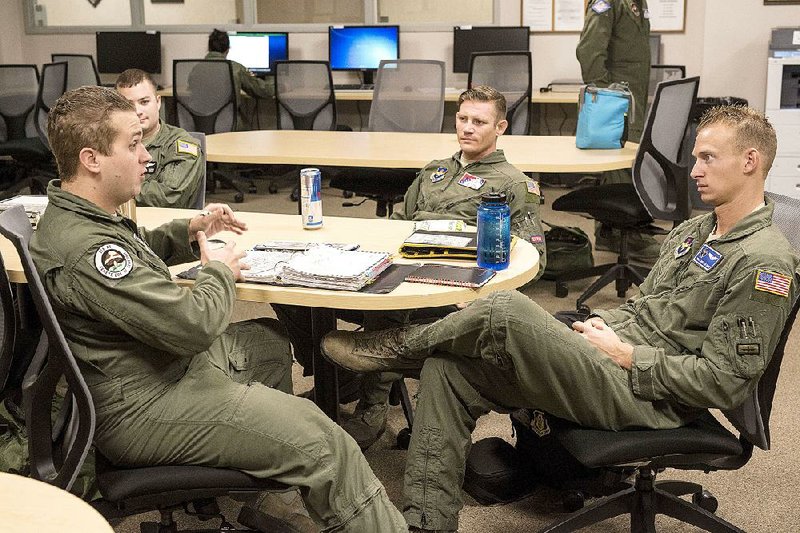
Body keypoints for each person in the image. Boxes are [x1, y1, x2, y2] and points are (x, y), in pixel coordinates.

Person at [320, 105, 800, 532]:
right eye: (695, 156)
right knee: (448, 372)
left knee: (505, 308)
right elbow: (646, 306)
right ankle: (427, 522)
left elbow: (724, 383)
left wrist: (628, 355)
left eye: (707, 158)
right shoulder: (698, 228)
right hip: (611, 359)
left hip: (651, 396)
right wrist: (602, 329)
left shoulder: (763, 265)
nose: (693, 170)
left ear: (749, 161)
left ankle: (396, 349)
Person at [31, 85, 407, 533]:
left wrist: (186, 229)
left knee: (268, 342)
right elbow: (193, 325)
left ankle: (273, 498)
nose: (147, 155)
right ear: (91, 159)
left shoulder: (78, 214)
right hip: (145, 403)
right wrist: (219, 272)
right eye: (132, 145)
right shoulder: (86, 249)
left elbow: (131, 252)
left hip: (156, 368)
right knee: (325, 441)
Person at [274, 86, 547, 450]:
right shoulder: (434, 170)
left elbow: (535, 259)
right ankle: (335, 376)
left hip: (452, 286)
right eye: (462, 119)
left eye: (478, 122)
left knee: (392, 308)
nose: (467, 128)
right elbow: (397, 225)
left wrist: (486, 293)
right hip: (400, 265)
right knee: (295, 289)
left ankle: (371, 408)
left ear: (500, 127)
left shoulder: (514, 183)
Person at [576, 0, 660, 261]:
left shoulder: (637, 1)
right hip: (617, 98)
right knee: (620, 164)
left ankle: (616, 230)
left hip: (633, 96)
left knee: (629, 161)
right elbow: (589, 51)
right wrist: (606, 93)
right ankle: (618, 234)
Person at [114, 69, 204, 209]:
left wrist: (112, 190)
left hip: (164, 227)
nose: (137, 111)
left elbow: (169, 197)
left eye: (144, 102)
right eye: (128, 105)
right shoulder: (107, 143)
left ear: (158, 102)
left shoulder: (180, 144)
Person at [206, 28, 274, 118]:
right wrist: (273, 78)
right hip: (230, 123)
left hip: (203, 123)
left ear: (209, 49)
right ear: (227, 50)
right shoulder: (236, 68)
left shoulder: (195, 69)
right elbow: (264, 91)